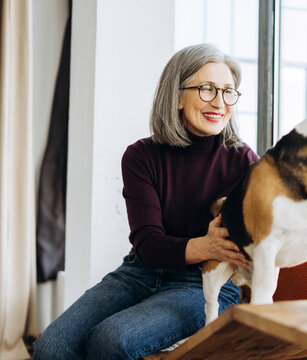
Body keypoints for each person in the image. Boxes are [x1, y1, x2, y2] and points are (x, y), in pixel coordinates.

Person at [33, 43, 259, 359]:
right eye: (207, 89)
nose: (219, 102)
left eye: (228, 92)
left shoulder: (244, 163)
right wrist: (203, 245)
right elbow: (148, 243)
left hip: (205, 282)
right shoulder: (141, 156)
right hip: (139, 272)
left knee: (110, 340)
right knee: (51, 347)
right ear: (177, 96)